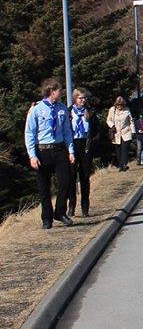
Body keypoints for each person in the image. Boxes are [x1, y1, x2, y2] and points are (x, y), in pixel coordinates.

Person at [24, 79, 75, 229]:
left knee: (66, 181)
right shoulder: (36, 110)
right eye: (59, 90)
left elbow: (67, 132)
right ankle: (47, 218)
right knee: (44, 187)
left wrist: (70, 151)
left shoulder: (62, 109)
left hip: (59, 149)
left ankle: (60, 212)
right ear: (52, 91)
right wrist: (32, 155)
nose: (61, 92)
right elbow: (30, 133)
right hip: (42, 150)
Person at [68, 88, 98, 217]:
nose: (83, 100)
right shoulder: (68, 112)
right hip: (73, 145)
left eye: (84, 98)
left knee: (85, 177)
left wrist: (92, 142)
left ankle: (85, 207)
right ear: (75, 99)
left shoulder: (90, 112)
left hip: (85, 145)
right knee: (71, 177)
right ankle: (71, 206)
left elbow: (96, 130)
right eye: (80, 98)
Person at [107, 96, 133, 172]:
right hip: (116, 133)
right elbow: (108, 120)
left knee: (125, 149)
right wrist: (112, 125)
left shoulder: (127, 110)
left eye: (121, 105)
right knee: (118, 149)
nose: (119, 106)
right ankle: (120, 165)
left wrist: (133, 131)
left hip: (126, 132)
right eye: (118, 105)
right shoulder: (112, 110)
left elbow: (131, 121)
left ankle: (124, 164)